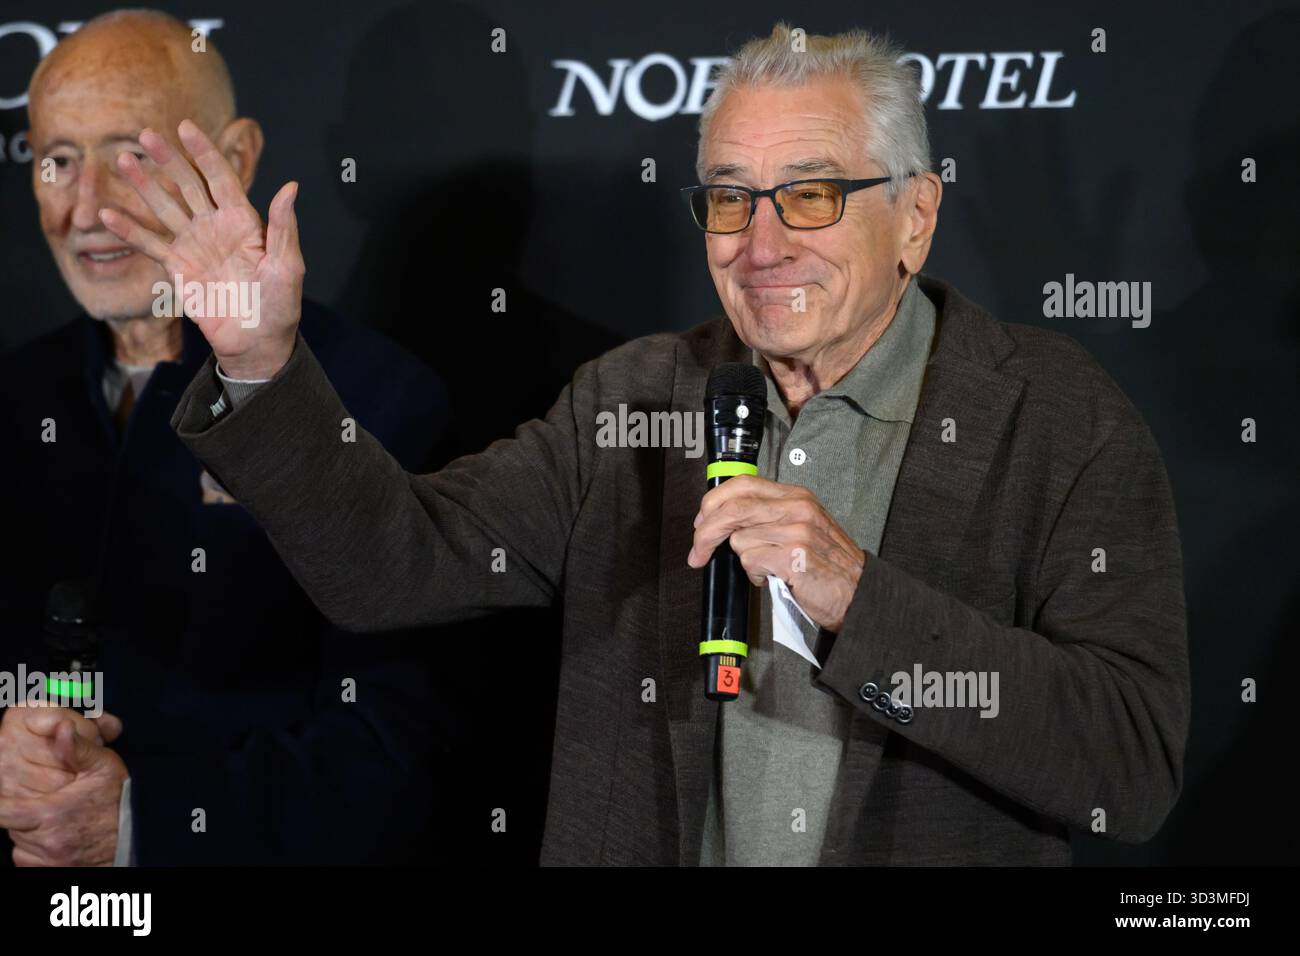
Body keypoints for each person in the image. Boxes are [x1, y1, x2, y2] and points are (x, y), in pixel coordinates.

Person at [107, 23, 1188, 865]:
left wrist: (859, 594)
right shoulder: (630, 399)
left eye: (807, 195)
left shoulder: (1056, 418)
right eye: (727, 199)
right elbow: (396, 564)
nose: (760, 245)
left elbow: (1130, 764)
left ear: (914, 214)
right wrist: (260, 359)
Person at [0, 10, 450, 865]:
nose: (89, 209)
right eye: (59, 160)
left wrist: (140, 824)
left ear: (236, 157)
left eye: (132, 155)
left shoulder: (380, 399)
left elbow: (397, 754)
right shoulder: (14, 398)